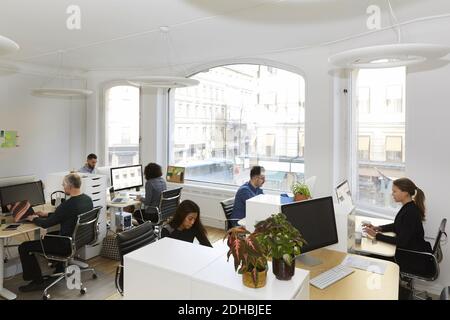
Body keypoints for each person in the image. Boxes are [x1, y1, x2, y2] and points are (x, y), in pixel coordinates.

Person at [18, 173, 94, 292]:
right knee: (49, 237)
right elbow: (69, 215)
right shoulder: (87, 199)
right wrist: (47, 214)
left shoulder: (67, 205)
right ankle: (59, 268)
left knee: (24, 247)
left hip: (64, 245)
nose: (62, 186)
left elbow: (46, 224)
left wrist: (34, 219)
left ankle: (37, 282)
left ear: (69, 186)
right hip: (78, 240)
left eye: (63, 184)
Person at [363, 177, 431, 253]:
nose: (392, 194)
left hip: (411, 254)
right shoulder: (408, 206)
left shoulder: (411, 213)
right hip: (408, 249)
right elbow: (398, 225)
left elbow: (402, 242)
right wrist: (379, 228)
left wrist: (376, 235)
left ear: (405, 192)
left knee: (370, 254)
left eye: (394, 191)